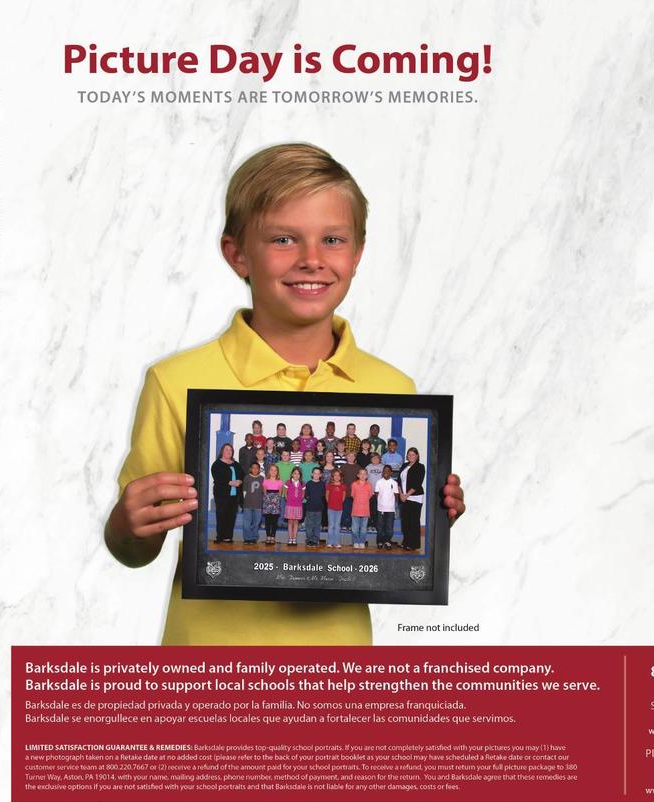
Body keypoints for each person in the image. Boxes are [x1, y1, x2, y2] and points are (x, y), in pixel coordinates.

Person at [104, 142, 466, 645]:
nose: (312, 260)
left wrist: (433, 510)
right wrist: (130, 522)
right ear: (237, 255)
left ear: (358, 254)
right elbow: (132, 548)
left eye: (333, 239)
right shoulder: (176, 381)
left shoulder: (394, 390)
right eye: (283, 239)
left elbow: (400, 548)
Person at [210, 443, 244, 543]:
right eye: (226, 450)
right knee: (221, 515)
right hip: (222, 495)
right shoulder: (217, 464)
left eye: (230, 450)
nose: (229, 452)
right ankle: (219, 536)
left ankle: (228, 537)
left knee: (231, 516)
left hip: (234, 495)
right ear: (222, 451)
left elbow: (242, 475)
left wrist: (239, 481)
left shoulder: (236, 464)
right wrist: (230, 482)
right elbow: (218, 477)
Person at [399, 447, 426, 550]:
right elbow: (399, 481)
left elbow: (417, 483)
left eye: (413, 455)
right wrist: (401, 494)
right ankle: (406, 541)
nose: (411, 456)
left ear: (417, 456)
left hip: (415, 497)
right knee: (405, 521)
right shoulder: (404, 465)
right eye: (409, 454)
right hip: (404, 497)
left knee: (413, 521)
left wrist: (406, 495)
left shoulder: (420, 467)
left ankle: (413, 544)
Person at [374, 465, 399, 548]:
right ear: (382, 472)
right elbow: (377, 494)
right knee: (380, 526)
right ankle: (380, 541)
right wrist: (381, 502)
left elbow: (396, 495)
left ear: (391, 472)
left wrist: (392, 505)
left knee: (389, 527)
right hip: (381, 508)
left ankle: (387, 541)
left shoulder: (394, 483)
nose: (386, 472)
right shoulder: (379, 482)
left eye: (388, 471)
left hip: (390, 509)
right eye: (384, 470)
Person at [240, 461, 264, 544]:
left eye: (257, 468)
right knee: (246, 523)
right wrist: (245, 501)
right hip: (248, 505)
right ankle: (247, 538)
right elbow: (244, 491)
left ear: (259, 470)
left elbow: (263, 492)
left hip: (258, 505)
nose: (255, 469)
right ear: (250, 469)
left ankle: (254, 538)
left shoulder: (262, 478)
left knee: (256, 523)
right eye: (253, 468)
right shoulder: (247, 477)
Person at [261, 464, 284, 546]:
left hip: (275, 502)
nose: (273, 472)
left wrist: (276, 502)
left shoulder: (280, 481)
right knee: (268, 520)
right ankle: (268, 536)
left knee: (274, 521)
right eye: (272, 470)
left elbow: (280, 494)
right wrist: (267, 501)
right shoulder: (265, 480)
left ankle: (273, 536)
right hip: (267, 502)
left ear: (277, 472)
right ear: (269, 471)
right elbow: (264, 492)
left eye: (275, 470)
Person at [350, 468, 373, 549]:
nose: (363, 476)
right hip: (356, 510)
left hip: (365, 510)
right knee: (355, 528)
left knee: (363, 529)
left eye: (365, 474)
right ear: (358, 475)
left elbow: (370, 495)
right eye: (361, 474)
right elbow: (353, 495)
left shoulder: (369, 485)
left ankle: (362, 542)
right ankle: (356, 541)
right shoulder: (354, 484)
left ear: (367, 476)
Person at [303, 467, 326, 548]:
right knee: (309, 525)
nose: (316, 475)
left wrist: (320, 502)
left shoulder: (323, 484)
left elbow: (323, 496)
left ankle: (315, 540)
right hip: (310, 508)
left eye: (318, 473)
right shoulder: (309, 483)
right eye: (315, 473)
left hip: (319, 508)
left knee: (317, 525)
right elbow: (306, 495)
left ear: (320, 475)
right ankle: (309, 539)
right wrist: (310, 499)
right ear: (312, 474)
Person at [325, 470, 347, 549]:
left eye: (338, 475)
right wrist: (330, 504)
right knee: (331, 525)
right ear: (332, 476)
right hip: (331, 508)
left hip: (339, 508)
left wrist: (339, 503)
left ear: (341, 477)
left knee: (337, 525)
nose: (337, 477)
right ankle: (330, 542)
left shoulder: (343, 486)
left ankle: (337, 542)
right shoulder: (329, 485)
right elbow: (327, 495)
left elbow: (343, 497)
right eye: (335, 475)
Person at [284, 467, 305, 546]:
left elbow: (303, 494)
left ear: (300, 475)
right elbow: (285, 493)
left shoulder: (302, 483)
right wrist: (288, 500)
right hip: (290, 505)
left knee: (296, 522)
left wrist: (299, 500)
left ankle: (294, 538)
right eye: (295, 473)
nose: (296, 475)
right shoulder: (288, 482)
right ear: (292, 474)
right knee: (290, 522)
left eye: (298, 474)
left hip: (298, 505)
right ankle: (290, 538)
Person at [339, 453, 360, 530]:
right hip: (345, 492)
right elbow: (340, 479)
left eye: (352, 456)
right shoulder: (343, 466)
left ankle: (351, 525)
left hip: (355, 493)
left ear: (355, 457)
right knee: (345, 509)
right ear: (346, 457)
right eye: (349, 456)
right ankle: (344, 524)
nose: (351, 457)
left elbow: (360, 480)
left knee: (353, 510)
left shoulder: (358, 467)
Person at [365, 452, 384, 529]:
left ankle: (376, 525)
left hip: (380, 493)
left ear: (379, 459)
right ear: (371, 459)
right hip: (370, 493)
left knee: (377, 510)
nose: (375, 459)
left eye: (377, 458)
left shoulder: (382, 467)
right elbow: (365, 479)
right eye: (373, 458)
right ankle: (369, 524)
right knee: (370, 509)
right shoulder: (368, 467)